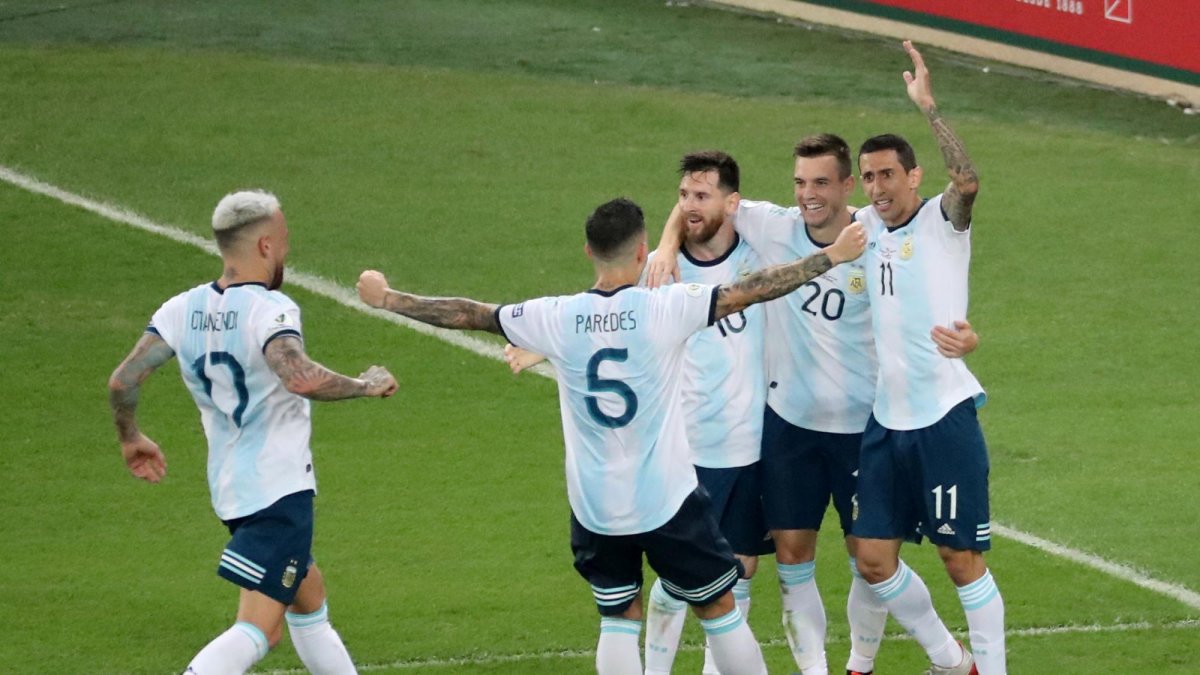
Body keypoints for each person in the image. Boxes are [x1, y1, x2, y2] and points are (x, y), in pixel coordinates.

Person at [357, 197, 867, 675]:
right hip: (665, 501)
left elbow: (469, 313)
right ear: (643, 252)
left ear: (588, 251)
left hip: (595, 506)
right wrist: (831, 256)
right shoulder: (665, 307)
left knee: (619, 617)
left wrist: (388, 298)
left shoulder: (554, 316)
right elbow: (753, 289)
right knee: (719, 609)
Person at [647, 133, 978, 675]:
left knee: (871, 562)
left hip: (864, 427)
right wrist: (665, 246)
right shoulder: (774, 226)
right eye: (800, 182)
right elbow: (701, 200)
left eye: (821, 182)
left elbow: (926, 291)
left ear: (848, 186)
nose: (808, 194)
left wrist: (966, 338)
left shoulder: (875, 231)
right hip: (789, 428)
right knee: (791, 561)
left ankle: (939, 658)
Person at [506, 152, 777, 675]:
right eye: (683, 197)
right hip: (679, 459)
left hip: (733, 447)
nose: (690, 205)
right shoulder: (661, 277)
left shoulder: (745, 249)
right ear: (642, 248)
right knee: (712, 601)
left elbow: (593, 320)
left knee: (713, 582)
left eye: (701, 196)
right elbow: (615, 319)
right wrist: (832, 256)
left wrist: (546, 345)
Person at [107, 190, 398, 675]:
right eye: (283, 241)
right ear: (265, 245)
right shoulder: (269, 308)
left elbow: (124, 380)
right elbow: (298, 376)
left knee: (308, 598)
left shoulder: (180, 309)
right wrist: (365, 386)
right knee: (260, 629)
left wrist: (130, 437)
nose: (286, 251)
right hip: (278, 491)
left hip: (231, 487)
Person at [851, 41, 1005, 675]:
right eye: (868, 176)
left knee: (960, 560)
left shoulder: (943, 221)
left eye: (888, 174)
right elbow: (789, 220)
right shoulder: (861, 228)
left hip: (943, 415)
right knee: (871, 559)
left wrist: (929, 108)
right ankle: (951, 660)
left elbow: (967, 182)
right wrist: (672, 233)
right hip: (886, 421)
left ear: (912, 177)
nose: (877, 187)